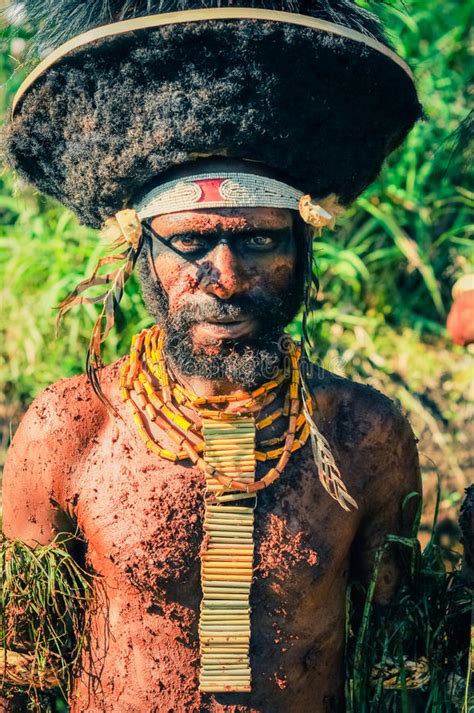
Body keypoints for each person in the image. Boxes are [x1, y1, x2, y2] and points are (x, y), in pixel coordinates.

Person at [2, 2, 422, 711]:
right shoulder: (71, 427)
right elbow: (22, 661)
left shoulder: (363, 435)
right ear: (142, 255)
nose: (224, 277)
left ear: (301, 252)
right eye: (191, 243)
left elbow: (398, 659)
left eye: (258, 240)